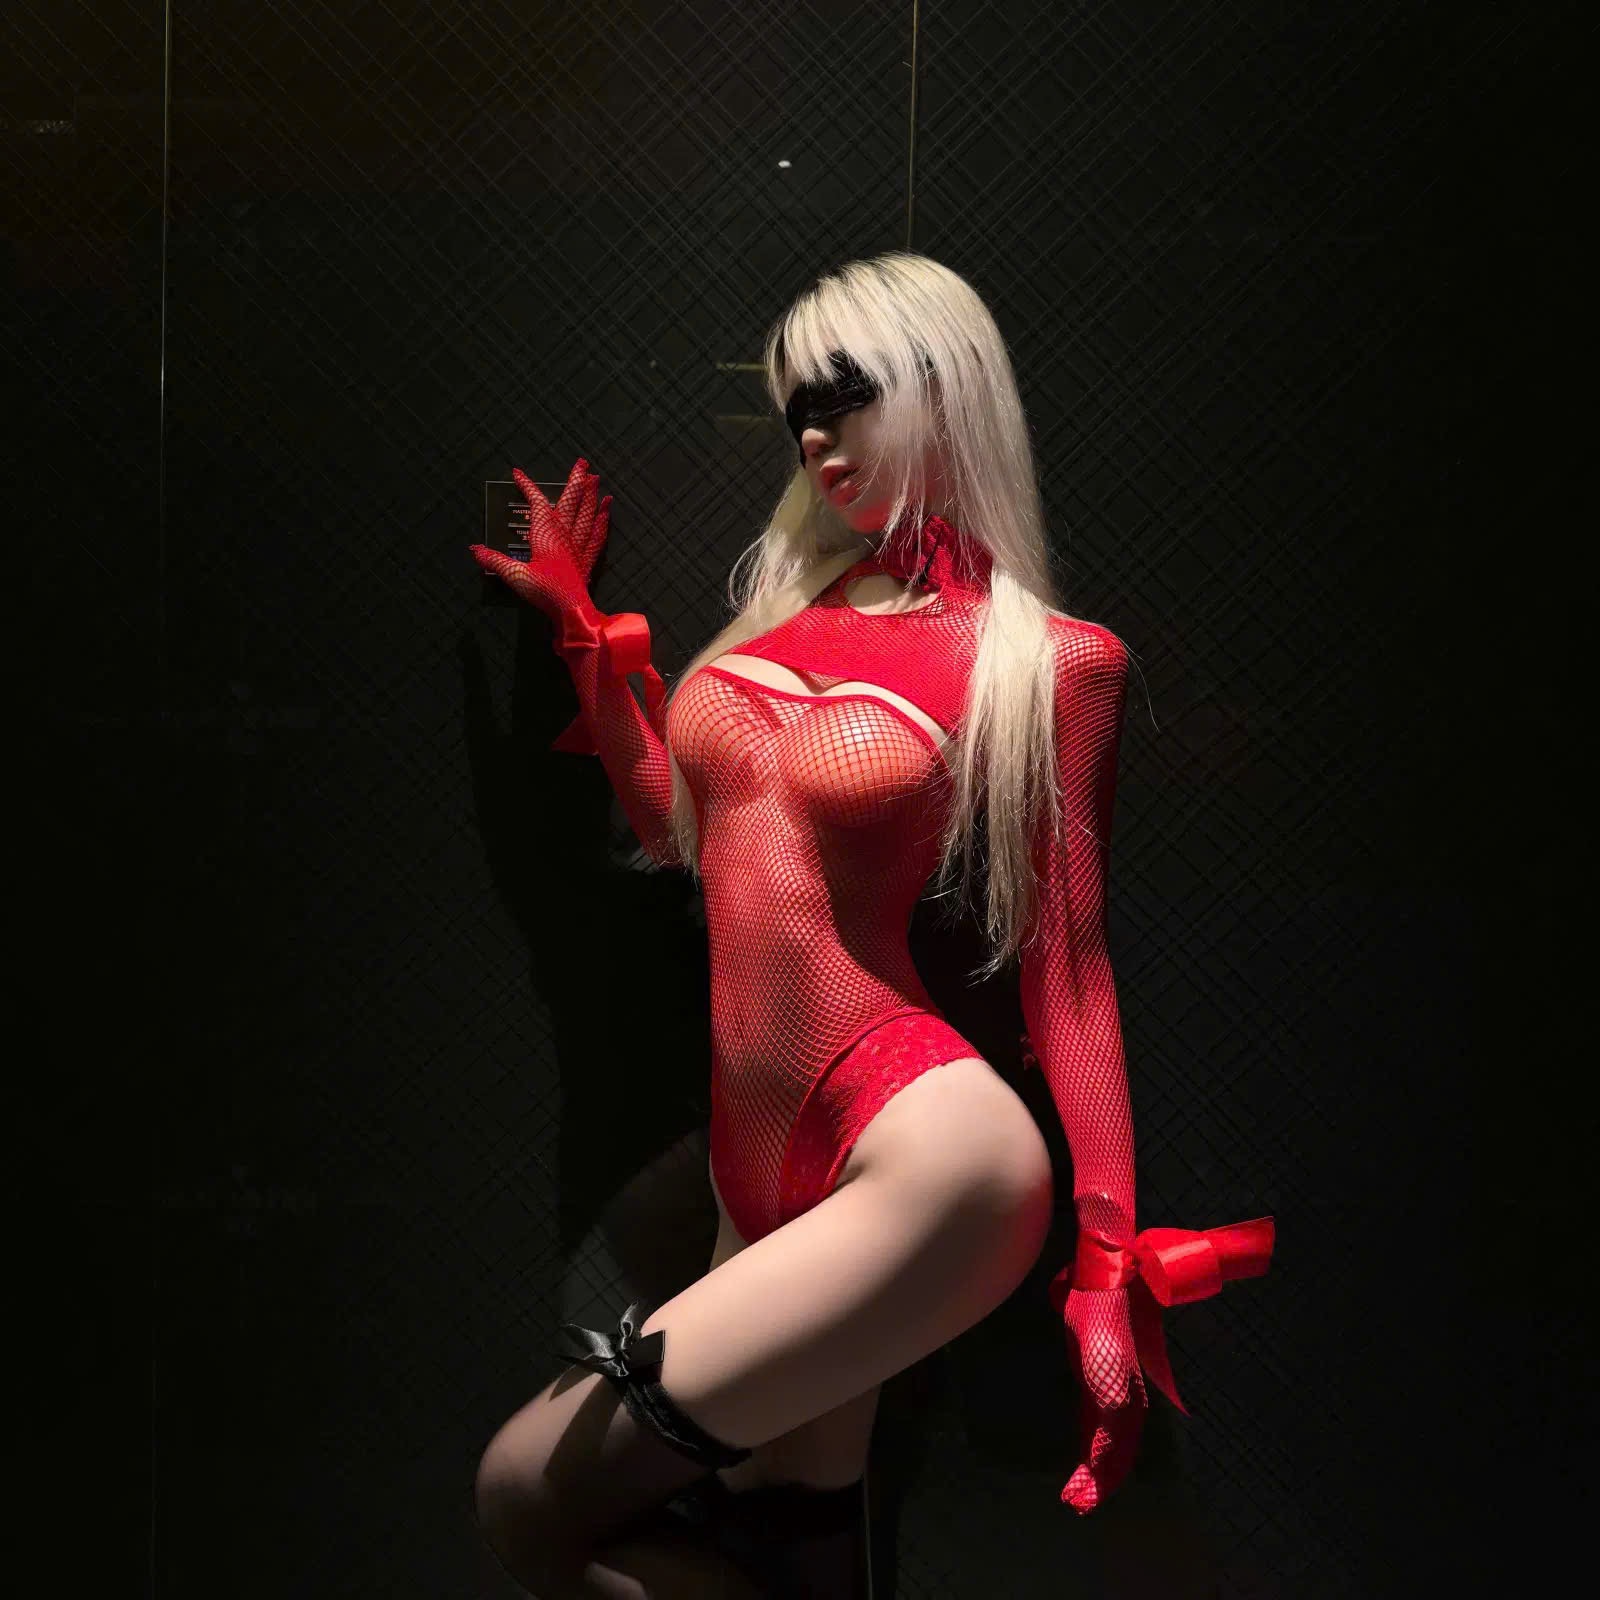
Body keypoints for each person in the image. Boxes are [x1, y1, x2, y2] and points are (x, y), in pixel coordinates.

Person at [468, 251, 1273, 1599]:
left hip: (925, 1149)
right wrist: (586, 638)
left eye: (847, 396)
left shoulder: (1050, 662)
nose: (814, 437)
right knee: (790, 1558)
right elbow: (684, 833)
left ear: (943, 387)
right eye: (799, 411)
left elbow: (1072, 973)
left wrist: (1105, 1266)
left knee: (523, 1494)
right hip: (757, 1176)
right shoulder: (780, 616)